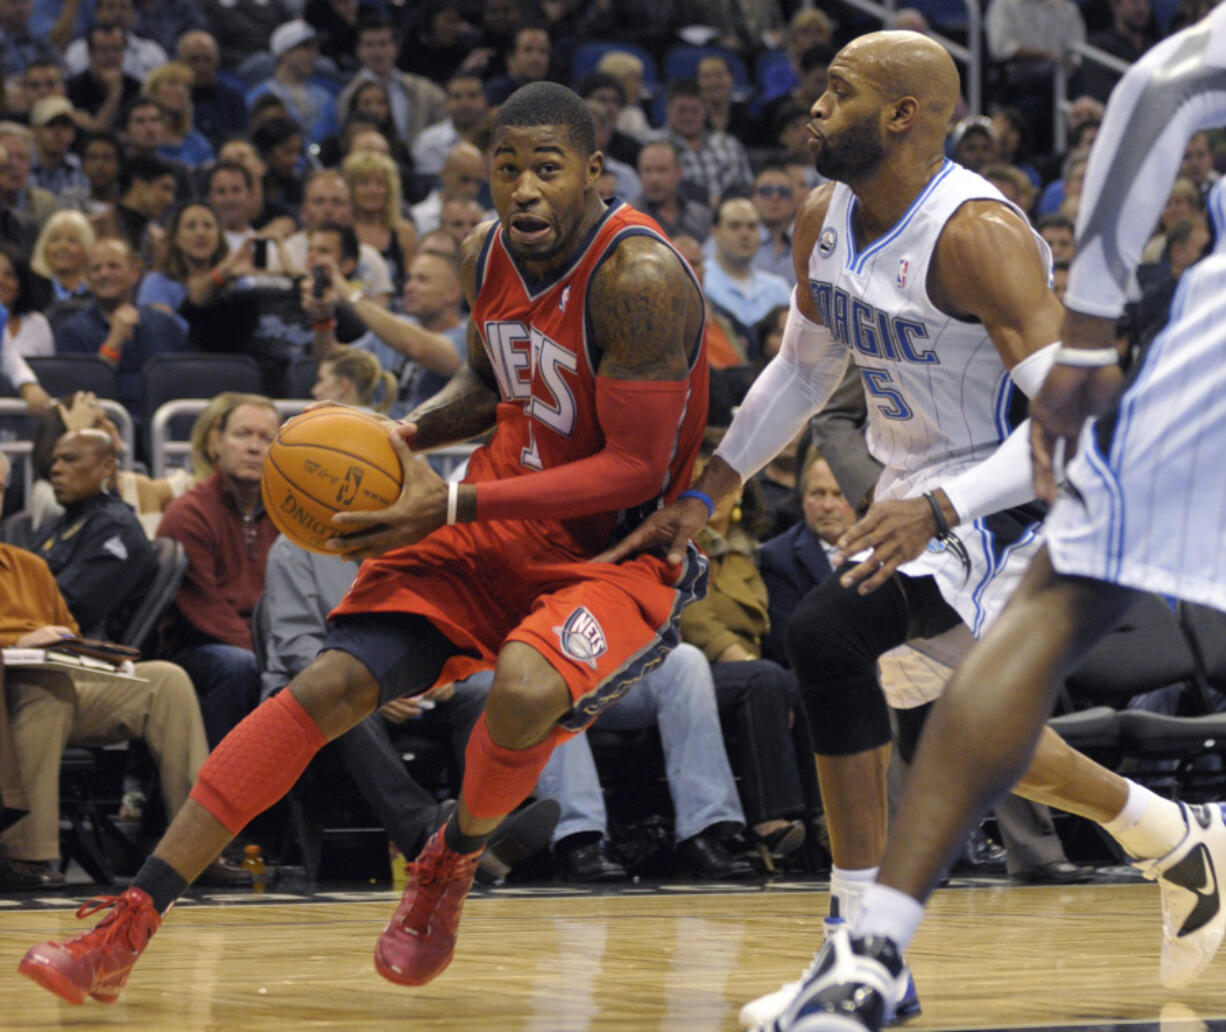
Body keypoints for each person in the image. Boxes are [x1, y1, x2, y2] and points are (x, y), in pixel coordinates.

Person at [19, 80, 707, 1007]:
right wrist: (407, 437)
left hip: (615, 551)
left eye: (548, 169)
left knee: (526, 688)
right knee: (326, 684)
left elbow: (635, 467)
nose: (525, 190)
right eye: (507, 170)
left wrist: (456, 501)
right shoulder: (485, 253)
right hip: (490, 519)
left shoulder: (642, 280)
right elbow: (485, 376)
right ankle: (130, 921)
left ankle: (450, 860)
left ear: (593, 170)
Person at [599, 30, 1223, 1031]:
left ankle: (859, 955)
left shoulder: (976, 235)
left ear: (902, 115)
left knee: (823, 633)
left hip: (1010, 497)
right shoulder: (820, 219)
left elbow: (1071, 429)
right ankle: (1178, 833)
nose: (811, 106)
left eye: (837, 92)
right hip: (915, 485)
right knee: (963, 738)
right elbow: (804, 371)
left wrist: (939, 507)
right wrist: (711, 485)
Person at [0, 448, 220, 892]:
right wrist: (14, 641)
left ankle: (196, 849)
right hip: (16, 697)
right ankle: (25, 854)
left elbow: (69, 633)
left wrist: (93, 654)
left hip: (53, 688)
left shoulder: (29, 566)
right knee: (47, 689)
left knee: (167, 682)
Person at [537, 642, 755, 882]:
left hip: (602, 670)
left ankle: (702, 831)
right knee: (552, 667)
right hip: (529, 672)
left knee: (685, 660)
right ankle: (578, 838)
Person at [156, 395, 281, 748]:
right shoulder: (188, 514)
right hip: (198, 646)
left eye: (267, 438)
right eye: (243, 434)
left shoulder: (291, 516)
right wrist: (279, 664)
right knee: (239, 666)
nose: (255, 447)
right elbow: (206, 613)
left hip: (269, 646)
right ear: (216, 443)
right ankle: (216, 793)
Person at [55, 237, 187, 415]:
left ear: (134, 273)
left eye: (114, 266)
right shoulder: (71, 331)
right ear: (86, 278)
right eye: (96, 268)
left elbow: (184, 384)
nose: (104, 274)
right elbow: (78, 398)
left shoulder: (165, 325)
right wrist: (113, 342)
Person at [336, 13, 446, 146]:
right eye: (369, 45)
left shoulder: (423, 90)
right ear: (359, 50)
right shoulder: (348, 97)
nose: (376, 52)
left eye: (383, 44)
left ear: (395, 48)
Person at [703, 195, 792, 331]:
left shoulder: (779, 289)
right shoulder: (701, 283)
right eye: (735, 226)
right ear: (714, 232)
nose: (745, 234)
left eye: (752, 226)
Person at [246, 20, 337, 149]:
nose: (313, 55)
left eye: (315, 48)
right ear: (284, 52)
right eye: (305, 48)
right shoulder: (260, 95)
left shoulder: (324, 97)